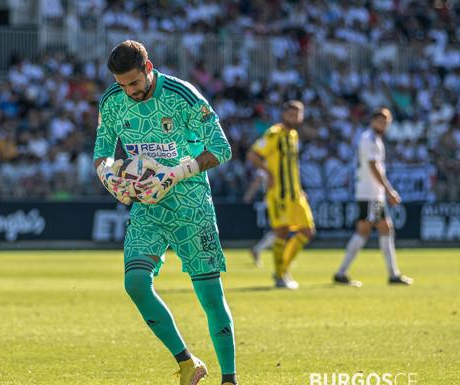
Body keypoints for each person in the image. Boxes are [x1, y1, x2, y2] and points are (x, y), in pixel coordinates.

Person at [93, 40, 237, 385]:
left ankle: (230, 378)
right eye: (122, 84)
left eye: (134, 83)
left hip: (191, 207)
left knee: (210, 297)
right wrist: (108, 176)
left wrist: (175, 173)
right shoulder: (112, 101)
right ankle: (188, 363)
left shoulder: (183, 96)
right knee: (136, 284)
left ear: (148, 68)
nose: (128, 91)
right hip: (148, 207)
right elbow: (102, 151)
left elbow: (222, 148)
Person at [333, 108, 413, 286]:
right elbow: (373, 166)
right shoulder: (369, 139)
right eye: (380, 121)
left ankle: (342, 273)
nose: (383, 124)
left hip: (371, 194)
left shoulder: (373, 139)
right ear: (373, 121)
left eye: (386, 121)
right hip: (371, 194)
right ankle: (392, 274)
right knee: (378, 229)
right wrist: (389, 190)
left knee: (372, 230)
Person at [248, 101, 315, 289]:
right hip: (279, 194)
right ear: (284, 114)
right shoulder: (274, 133)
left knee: (308, 231)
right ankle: (280, 275)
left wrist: (299, 188)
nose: (295, 118)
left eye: (298, 115)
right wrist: (268, 173)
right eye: (291, 114)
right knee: (282, 233)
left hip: (296, 194)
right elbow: (253, 155)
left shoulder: (293, 135)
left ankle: (282, 270)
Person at [243, 168, 275, 267]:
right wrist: (248, 195)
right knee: (277, 231)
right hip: (271, 204)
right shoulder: (264, 168)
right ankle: (257, 249)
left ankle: (281, 258)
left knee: (277, 232)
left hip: (275, 202)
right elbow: (256, 183)